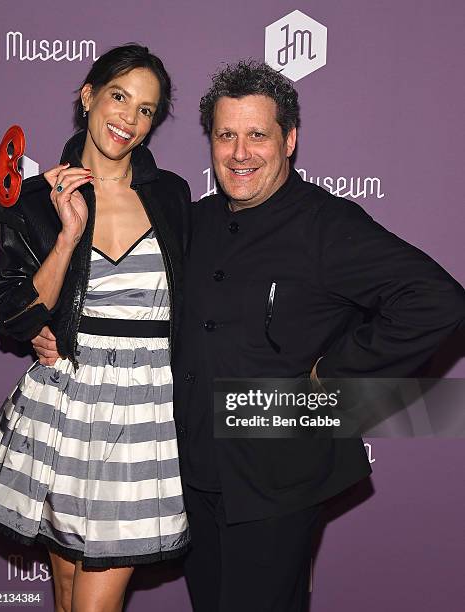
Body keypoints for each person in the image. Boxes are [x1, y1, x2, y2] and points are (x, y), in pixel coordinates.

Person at [171, 60, 465, 611]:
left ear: (290, 139)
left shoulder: (327, 225)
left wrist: (333, 375)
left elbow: (438, 300)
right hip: (190, 474)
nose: (239, 153)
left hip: (276, 473)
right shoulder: (195, 222)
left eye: (257, 134)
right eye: (226, 135)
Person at [0, 44, 190, 612]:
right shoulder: (37, 200)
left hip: (143, 416)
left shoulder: (171, 196)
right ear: (88, 96)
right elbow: (19, 317)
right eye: (119, 97)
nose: (129, 118)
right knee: (69, 596)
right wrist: (67, 234)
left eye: (146, 110)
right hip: (64, 407)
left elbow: (198, 297)